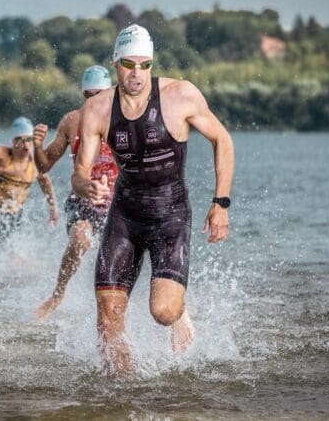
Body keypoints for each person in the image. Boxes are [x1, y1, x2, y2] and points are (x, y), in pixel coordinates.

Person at [71, 24, 234, 375]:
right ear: (116, 63)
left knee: (163, 312)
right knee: (108, 320)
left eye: (145, 64)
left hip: (170, 215)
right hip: (125, 216)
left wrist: (220, 203)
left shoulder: (181, 95)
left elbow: (222, 140)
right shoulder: (98, 109)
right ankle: (126, 391)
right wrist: (86, 186)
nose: (137, 73)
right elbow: (80, 171)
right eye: (129, 64)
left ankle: (179, 310)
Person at [32, 66, 119, 320]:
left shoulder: (124, 120)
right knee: (79, 238)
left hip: (117, 200)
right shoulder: (72, 121)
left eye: (100, 95)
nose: (94, 101)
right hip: (82, 197)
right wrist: (37, 146)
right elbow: (44, 164)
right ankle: (58, 294)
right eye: (88, 95)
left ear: (111, 94)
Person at [0, 117, 59, 250]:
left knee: (10, 255)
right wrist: (6, 171)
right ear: (13, 141)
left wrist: (53, 207)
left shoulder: (34, 163)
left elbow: (45, 181)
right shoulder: (1, 153)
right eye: (21, 140)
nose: (26, 145)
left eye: (29, 140)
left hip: (14, 216)